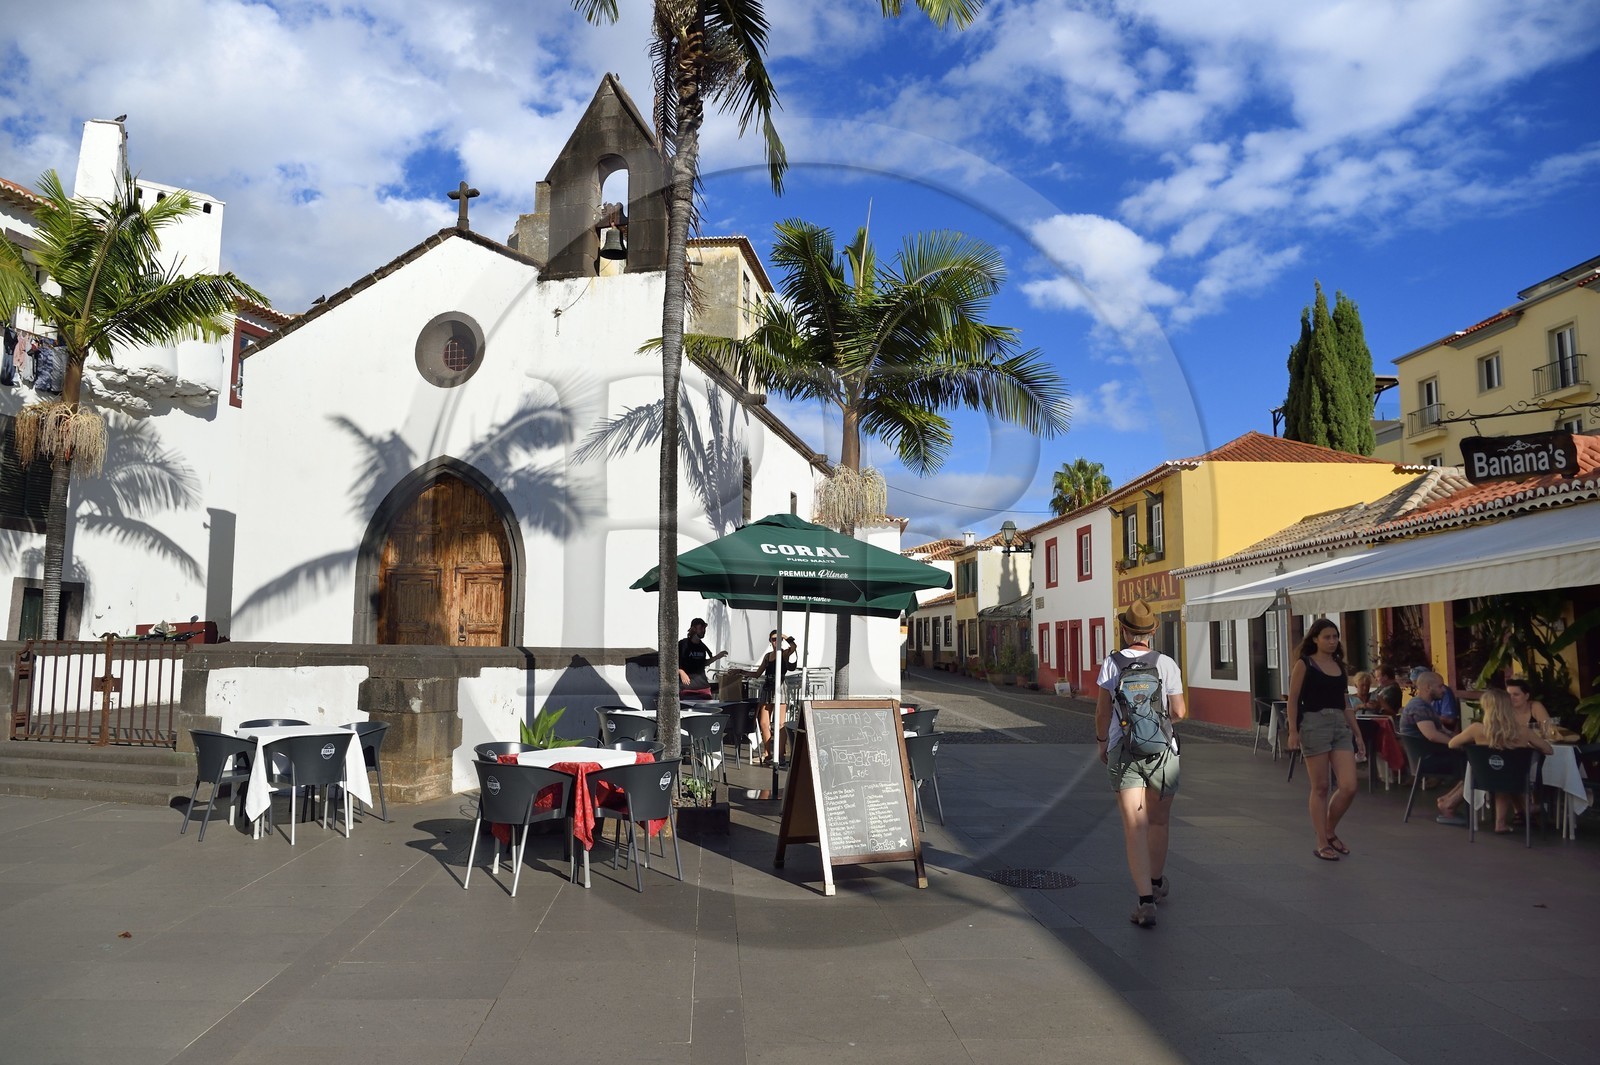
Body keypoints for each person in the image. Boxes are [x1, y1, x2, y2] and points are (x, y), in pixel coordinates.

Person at [1095, 599, 1186, 929]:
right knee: (1159, 823)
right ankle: (1157, 881)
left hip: (1124, 751)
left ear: (1123, 629)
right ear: (1152, 631)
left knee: (1135, 827)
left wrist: (1103, 742)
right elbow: (1180, 712)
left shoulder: (1112, 664)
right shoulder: (1166, 664)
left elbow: (1103, 711)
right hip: (1163, 753)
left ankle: (1145, 901)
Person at [1286, 619, 1366, 862]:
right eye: (1327, 637)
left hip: (1339, 726)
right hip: (1314, 724)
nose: (1332, 641)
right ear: (1315, 639)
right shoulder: (1305, 664)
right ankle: (1321, 840)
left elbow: (1346, 704)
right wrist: (1292, 730)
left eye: (1335, 637)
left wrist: (1358, 734)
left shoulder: (1339, 666)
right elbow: (1293, 698)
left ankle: (1329, 830)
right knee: (1320, 787)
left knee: (1349, 785)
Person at [1448, 688, 1553, 832]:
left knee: (1499, 776)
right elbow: (1548, 750)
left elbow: (1452, 744)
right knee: (1506, 775)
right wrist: (1527, 747)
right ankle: (1526, 809)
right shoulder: (1523, 731)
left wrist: (1473, 745)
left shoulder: (1476, 729)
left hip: (1485, 777)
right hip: (1515, 779)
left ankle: (1504, 821)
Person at [1398, 670, 1467, 824]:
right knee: (1476, 763)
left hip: (1428, 757)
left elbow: (1443, 731)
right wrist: (1457, 744)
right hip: (1427, 760)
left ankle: (1448, 800)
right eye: (1441, 686)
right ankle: (1449, 804)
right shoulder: (1418, 707)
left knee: (1472, 761)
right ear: (1428, 687)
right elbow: (1432, 734)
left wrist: (1462, 738)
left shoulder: (1425, 706)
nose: (1444, 690)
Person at [756, 629, 798, 766]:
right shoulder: (768, 656)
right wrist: (740, 672)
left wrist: (784, 636)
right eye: (773, 639)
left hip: (780, 688)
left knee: (780, 724)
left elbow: (794, 647)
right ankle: (767, 753)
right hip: (768, 687)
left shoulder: (784, 653)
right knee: (764, 723)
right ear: (770, 641)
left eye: (777, 639)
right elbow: (757, 673)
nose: (775, 642)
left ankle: (780, 755)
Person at [676, 617, 726, 702]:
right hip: (687, 689)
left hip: (704, 688)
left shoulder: (702, 647)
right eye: (701, 628)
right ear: (694, 629)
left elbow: (703, 663)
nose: (703, 631)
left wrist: (717, 657)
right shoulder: (682, 645)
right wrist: (681, 671)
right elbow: (671, 663)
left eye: (704, 628)